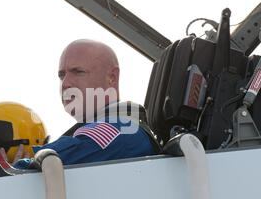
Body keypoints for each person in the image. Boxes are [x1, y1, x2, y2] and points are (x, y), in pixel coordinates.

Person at [12, 39, 160, 169]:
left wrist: (11, 166)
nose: (65, 83)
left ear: (112, 78)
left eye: (78, 72)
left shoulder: (119, 130)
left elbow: (39, 167)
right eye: (62, 75)